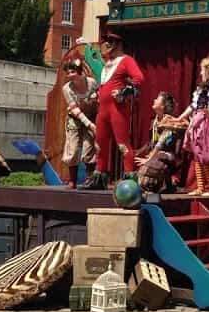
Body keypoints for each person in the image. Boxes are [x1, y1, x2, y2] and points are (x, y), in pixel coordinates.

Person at [83, 30, 144, 190]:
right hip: (103, 110)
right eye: (106, 40)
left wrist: (124, 91)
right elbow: (104, 84)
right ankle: (99, 178)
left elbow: (139, 78)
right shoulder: (107, 63)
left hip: (117, 109)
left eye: (111, 40)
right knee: (99, 145)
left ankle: (130, 181)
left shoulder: (126, 60)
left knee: (123, 145)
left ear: (119, 43)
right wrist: (97, 94)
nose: (107, 43)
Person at [178, 56, 209, 196]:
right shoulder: (202, 86)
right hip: (197, 118)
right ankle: (200, 187)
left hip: (204, 119)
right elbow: (193, 105)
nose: (200, 73)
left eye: (202, 70)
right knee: (197, 156)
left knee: (204, 155)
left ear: (208, 71)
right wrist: (181, 117)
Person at [134, 91, 184, 193]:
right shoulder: (154, 121)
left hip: (167, 154)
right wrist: (138, 151)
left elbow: (160, 144)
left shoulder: (170, 122)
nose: (154, 100)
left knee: (157, 159)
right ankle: (164, 185)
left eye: (157, 99)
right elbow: (152, 142)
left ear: (162, 106)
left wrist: (148, 160)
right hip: (156, 152)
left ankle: (165, 184)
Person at [61, 58, 98, 188]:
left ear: (79, 71)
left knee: (89, 147)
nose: (69, 75)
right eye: (68, 72)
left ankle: (90, 179)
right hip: (75, 118)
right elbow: (75, 110)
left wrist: (95, 99)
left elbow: (99, 96)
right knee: (73, 147)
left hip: (91, 115)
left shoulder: (91, 83)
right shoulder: (67, 89)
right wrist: (89, 124)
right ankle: (72, 180)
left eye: (72, 72)